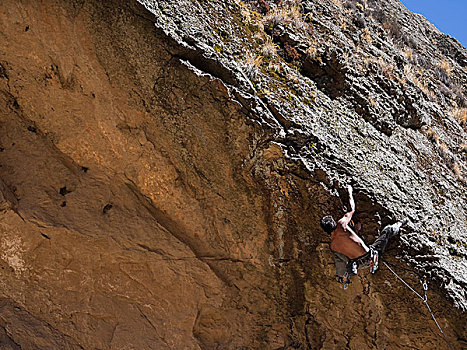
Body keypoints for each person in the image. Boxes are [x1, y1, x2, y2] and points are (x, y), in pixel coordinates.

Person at [320, 185, 408, 288]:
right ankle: (401, 223)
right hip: (370, 256)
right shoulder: (341, 225)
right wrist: (349, 192)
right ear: (334, 223)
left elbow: (349, 246)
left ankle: (343, 277)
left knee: (338, 256)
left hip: (359, 264)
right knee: (387, 231)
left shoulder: (333, 245)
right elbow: (351, 210)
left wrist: (355, 231)